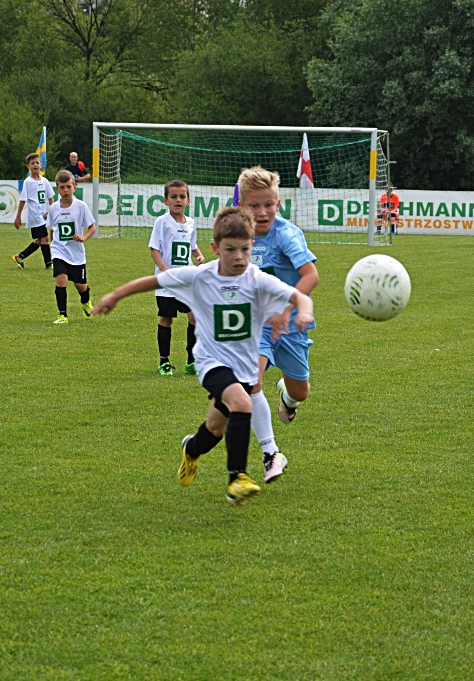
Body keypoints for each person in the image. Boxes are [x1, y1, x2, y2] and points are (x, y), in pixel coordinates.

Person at [91, 207, 314, 506]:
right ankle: (237, 478)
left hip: (243, 367)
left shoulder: (257, 278)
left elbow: (297, 295)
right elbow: (155, 281)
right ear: (215, 248)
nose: (239, 257)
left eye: (245, 249)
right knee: (242, 403)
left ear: (252, 246)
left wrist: (305, 311)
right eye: (230, 249)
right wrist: (116, 295)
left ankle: (191, 449)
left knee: (215, 428)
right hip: (211, 363)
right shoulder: (200, 276)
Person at [237, 166, 319, 484]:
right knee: (251, 381)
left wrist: (286, 310)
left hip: (291, 325)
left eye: (269, 204)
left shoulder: (286, 234)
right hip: (257, 325)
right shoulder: (238, 233)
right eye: (254, 205)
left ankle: (288, 397)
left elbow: (311, 276)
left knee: (301, 390)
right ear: (242, 205)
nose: (262, 212)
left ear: (278, 204)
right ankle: (271, 453)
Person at [148, 179, 205, 376]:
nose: (178, 200)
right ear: (165, 200)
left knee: (194, 316)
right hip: (167, 283)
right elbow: (154, 249)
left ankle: (192, 360)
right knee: (166, 318)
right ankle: (164, 361)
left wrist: (198, 255)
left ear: (188, 200)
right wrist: (164, 269)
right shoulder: (162, 222)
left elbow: (191, 245)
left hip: (186, 280)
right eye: (173, 197)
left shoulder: (191, 223)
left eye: (182, 197)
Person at [47, 170, 96, 324]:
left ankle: (86, 302)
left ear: (75, 187)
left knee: (81, 285)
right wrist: (53, 248)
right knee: (61, 279)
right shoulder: (54, 208)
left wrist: (83, 237)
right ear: (57, 189)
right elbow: (52, 229)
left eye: (69, 187)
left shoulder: (81, 206)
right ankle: (62, 315)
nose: (66, 190)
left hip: (76, 253)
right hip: (59, 251)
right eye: (62, 187)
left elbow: (92, 227)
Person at [12, 153, 54, 270]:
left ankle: (20, 256)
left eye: (37, 162)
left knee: (41, 240)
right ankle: (48, 264)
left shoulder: (45, 181)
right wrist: (18, 217)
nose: (35, 165)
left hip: (44, 215)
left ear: (41, 165)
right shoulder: (28, 182)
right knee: (45, 238)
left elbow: (50, 197)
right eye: (32, 163)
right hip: (35, 215)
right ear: (28, 166)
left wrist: (52, 212)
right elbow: (23, 200)